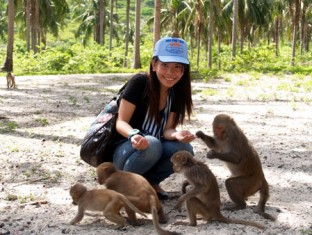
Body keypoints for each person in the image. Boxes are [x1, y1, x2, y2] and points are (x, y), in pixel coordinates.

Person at [112, 37, 196, 200]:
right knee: (153, 144)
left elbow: (167, 131)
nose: (170, 73)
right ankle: (124, 186)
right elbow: (121, 122)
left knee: (184, 150)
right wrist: (134, 136)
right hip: (125, 150)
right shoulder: (140, 82)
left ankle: (150, 183)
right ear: (154, 64)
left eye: (177, 67)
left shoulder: (177, 93)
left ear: (183, 70)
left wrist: (177, 135)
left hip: (152, 147)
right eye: (165, 65)